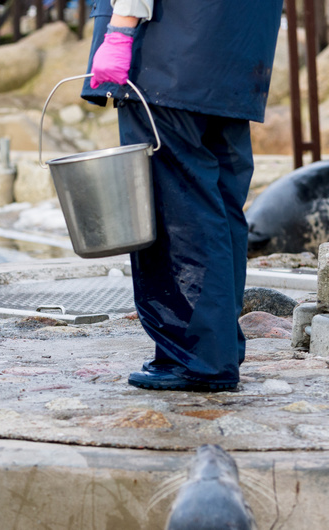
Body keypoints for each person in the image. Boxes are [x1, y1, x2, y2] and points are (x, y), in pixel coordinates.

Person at [81, 0, 284, 391]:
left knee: (178, 208)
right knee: (221, 205)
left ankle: (197, 358)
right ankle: (219, 348)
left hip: (169, 55)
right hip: (236, 60)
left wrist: (121, 28)